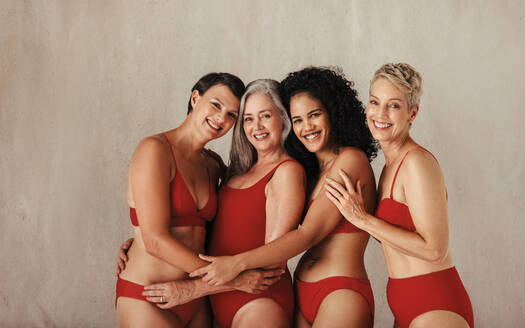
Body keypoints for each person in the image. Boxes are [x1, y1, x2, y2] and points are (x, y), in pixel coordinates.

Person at [190, 67, 378, 328]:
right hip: (303, 292)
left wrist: (233, 265)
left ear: (333, 114)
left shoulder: (350, 159)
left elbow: (307, 234)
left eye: (314, 115)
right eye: (298, 119)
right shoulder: (312, 170)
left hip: (339, 290)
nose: (306, 127)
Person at [118, 79, 305, 328]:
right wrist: (136, 241)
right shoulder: (155, 149)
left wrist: (195, 288)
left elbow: (263, 244)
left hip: (201, 300)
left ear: (283, 118)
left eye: (231, 115)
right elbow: (154, 241)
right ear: (195, 98)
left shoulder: (213, 165)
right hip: (152, 294)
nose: (220, 118)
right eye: (216, 105)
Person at [325, 63, 474, 328]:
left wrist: (362, 219)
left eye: (393, 105)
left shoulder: (417, 162)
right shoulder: (389, 166)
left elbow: (435, 250)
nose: (380, 113)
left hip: (436, 303)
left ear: (412, 112)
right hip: (404, 302)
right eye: (374, 102)